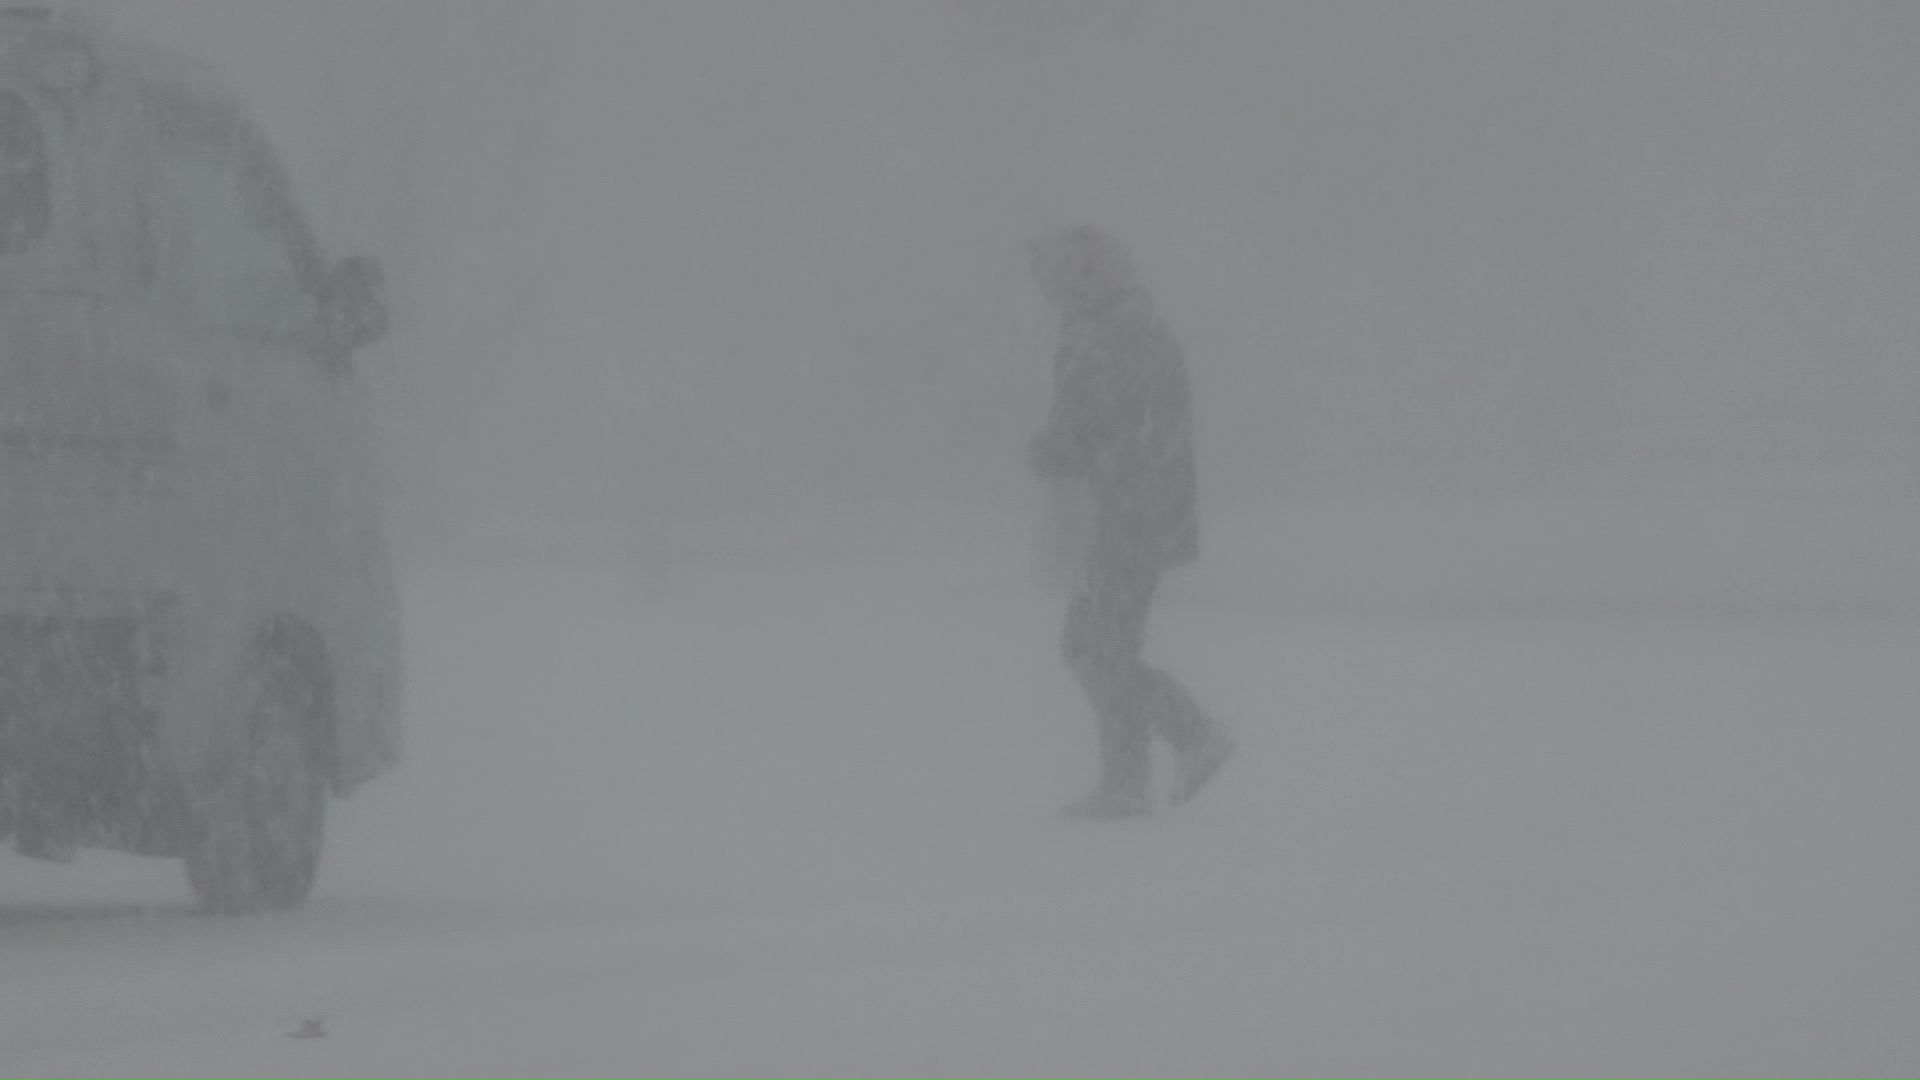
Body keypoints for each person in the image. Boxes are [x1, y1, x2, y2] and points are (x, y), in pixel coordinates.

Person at [1026, 225, 1233, 818]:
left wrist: (1065, 452)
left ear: (1084, 274)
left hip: (1135, 514)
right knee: (1097, 645)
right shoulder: (1102, 328)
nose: (1047, 290)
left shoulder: (1123, 332)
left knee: (1096, 647)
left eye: (1055, 276)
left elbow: (1123, 427)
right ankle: (1127, 782)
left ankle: (1193, 738)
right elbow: (1099, 422)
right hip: (1124, 511)